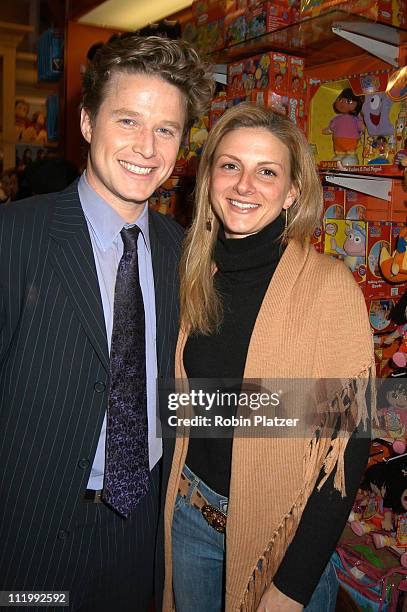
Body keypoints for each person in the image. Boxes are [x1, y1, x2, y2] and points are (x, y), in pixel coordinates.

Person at [0, 34, 214, 612]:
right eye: (127, 120)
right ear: (88, 123)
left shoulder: (182, 254)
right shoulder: (14, 236)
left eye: (166, 129)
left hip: (139, 531)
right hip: (29, 542)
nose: (146, 147)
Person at [162, 103, 374, 612]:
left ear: (292, 192)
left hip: (282, 542)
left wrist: (292, 586)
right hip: (190, 521)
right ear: (209, 175)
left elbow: (345, 451)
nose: (243, 185)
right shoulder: (190, 275)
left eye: (267, 172)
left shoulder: (330, 289)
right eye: (230, 165)